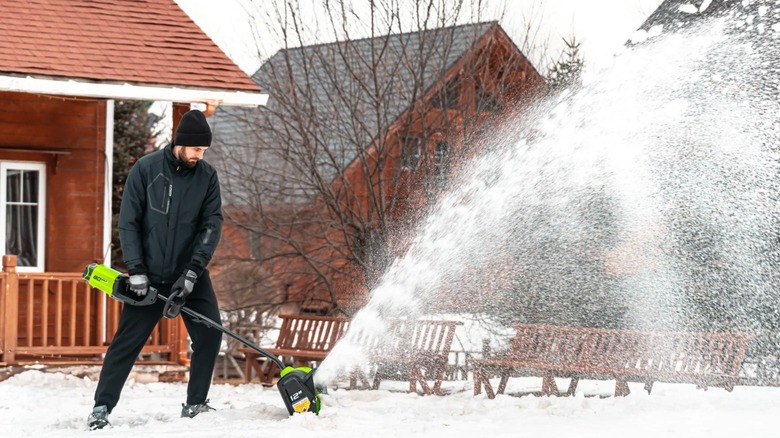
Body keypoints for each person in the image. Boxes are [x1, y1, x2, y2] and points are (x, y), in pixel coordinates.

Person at [88, 109, 224, 430]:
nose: (199, 156)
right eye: (195, 149)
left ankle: (195, 403)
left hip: (189, 274)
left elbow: (211, 225)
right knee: (127, 342)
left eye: (203, 151)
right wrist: (136, 271)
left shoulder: (207, 177)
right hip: (148, 276)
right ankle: (101, 407)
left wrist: (192, 273)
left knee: (210, 334)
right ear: (180, 142)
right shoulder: (146, 169)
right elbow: (129, 223)